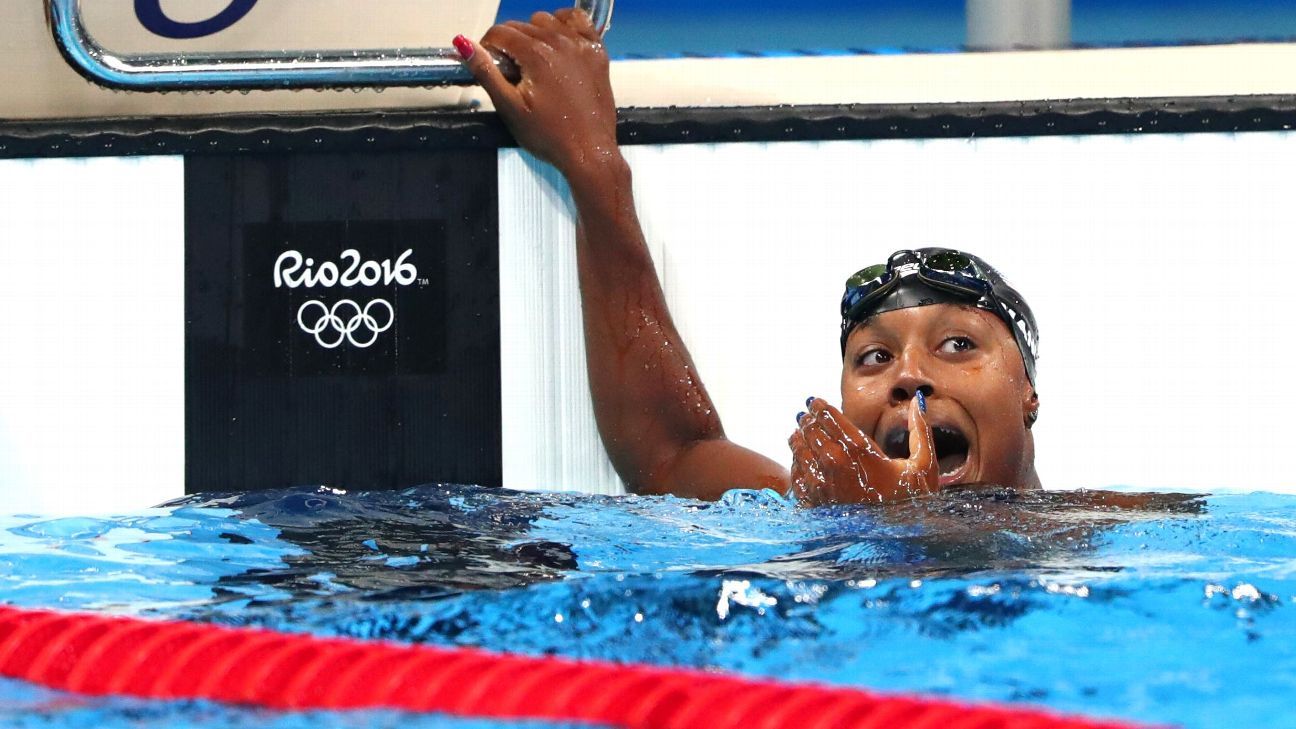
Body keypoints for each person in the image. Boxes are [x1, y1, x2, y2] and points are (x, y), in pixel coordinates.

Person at [451, 11, 1043, 505]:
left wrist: (911, 530)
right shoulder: (808, 516)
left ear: (1028, 394)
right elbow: (669, 453)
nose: (908, 377)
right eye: (874, 357)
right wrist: (592, 164)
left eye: (958, 345)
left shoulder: (1109, 529)